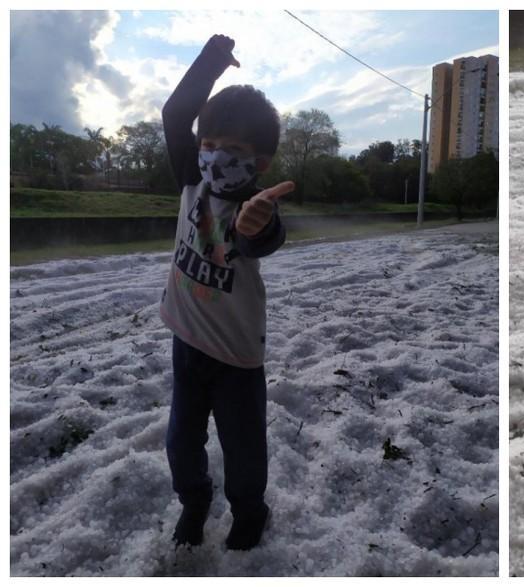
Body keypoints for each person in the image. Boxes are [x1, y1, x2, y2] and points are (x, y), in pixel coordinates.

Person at [159, 33, 293, 551]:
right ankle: (194, 503)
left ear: (260, 163)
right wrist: (211, 63)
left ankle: (249, 512)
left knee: (244, 450)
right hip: (186, 342)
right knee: (180, 442)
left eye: (233, 151)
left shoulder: (257, 206)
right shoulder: (192, 180)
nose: (215, 158)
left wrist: (255, 224)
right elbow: (176, 116)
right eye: (210, 145)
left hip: (237, 358)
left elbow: (259, 240)